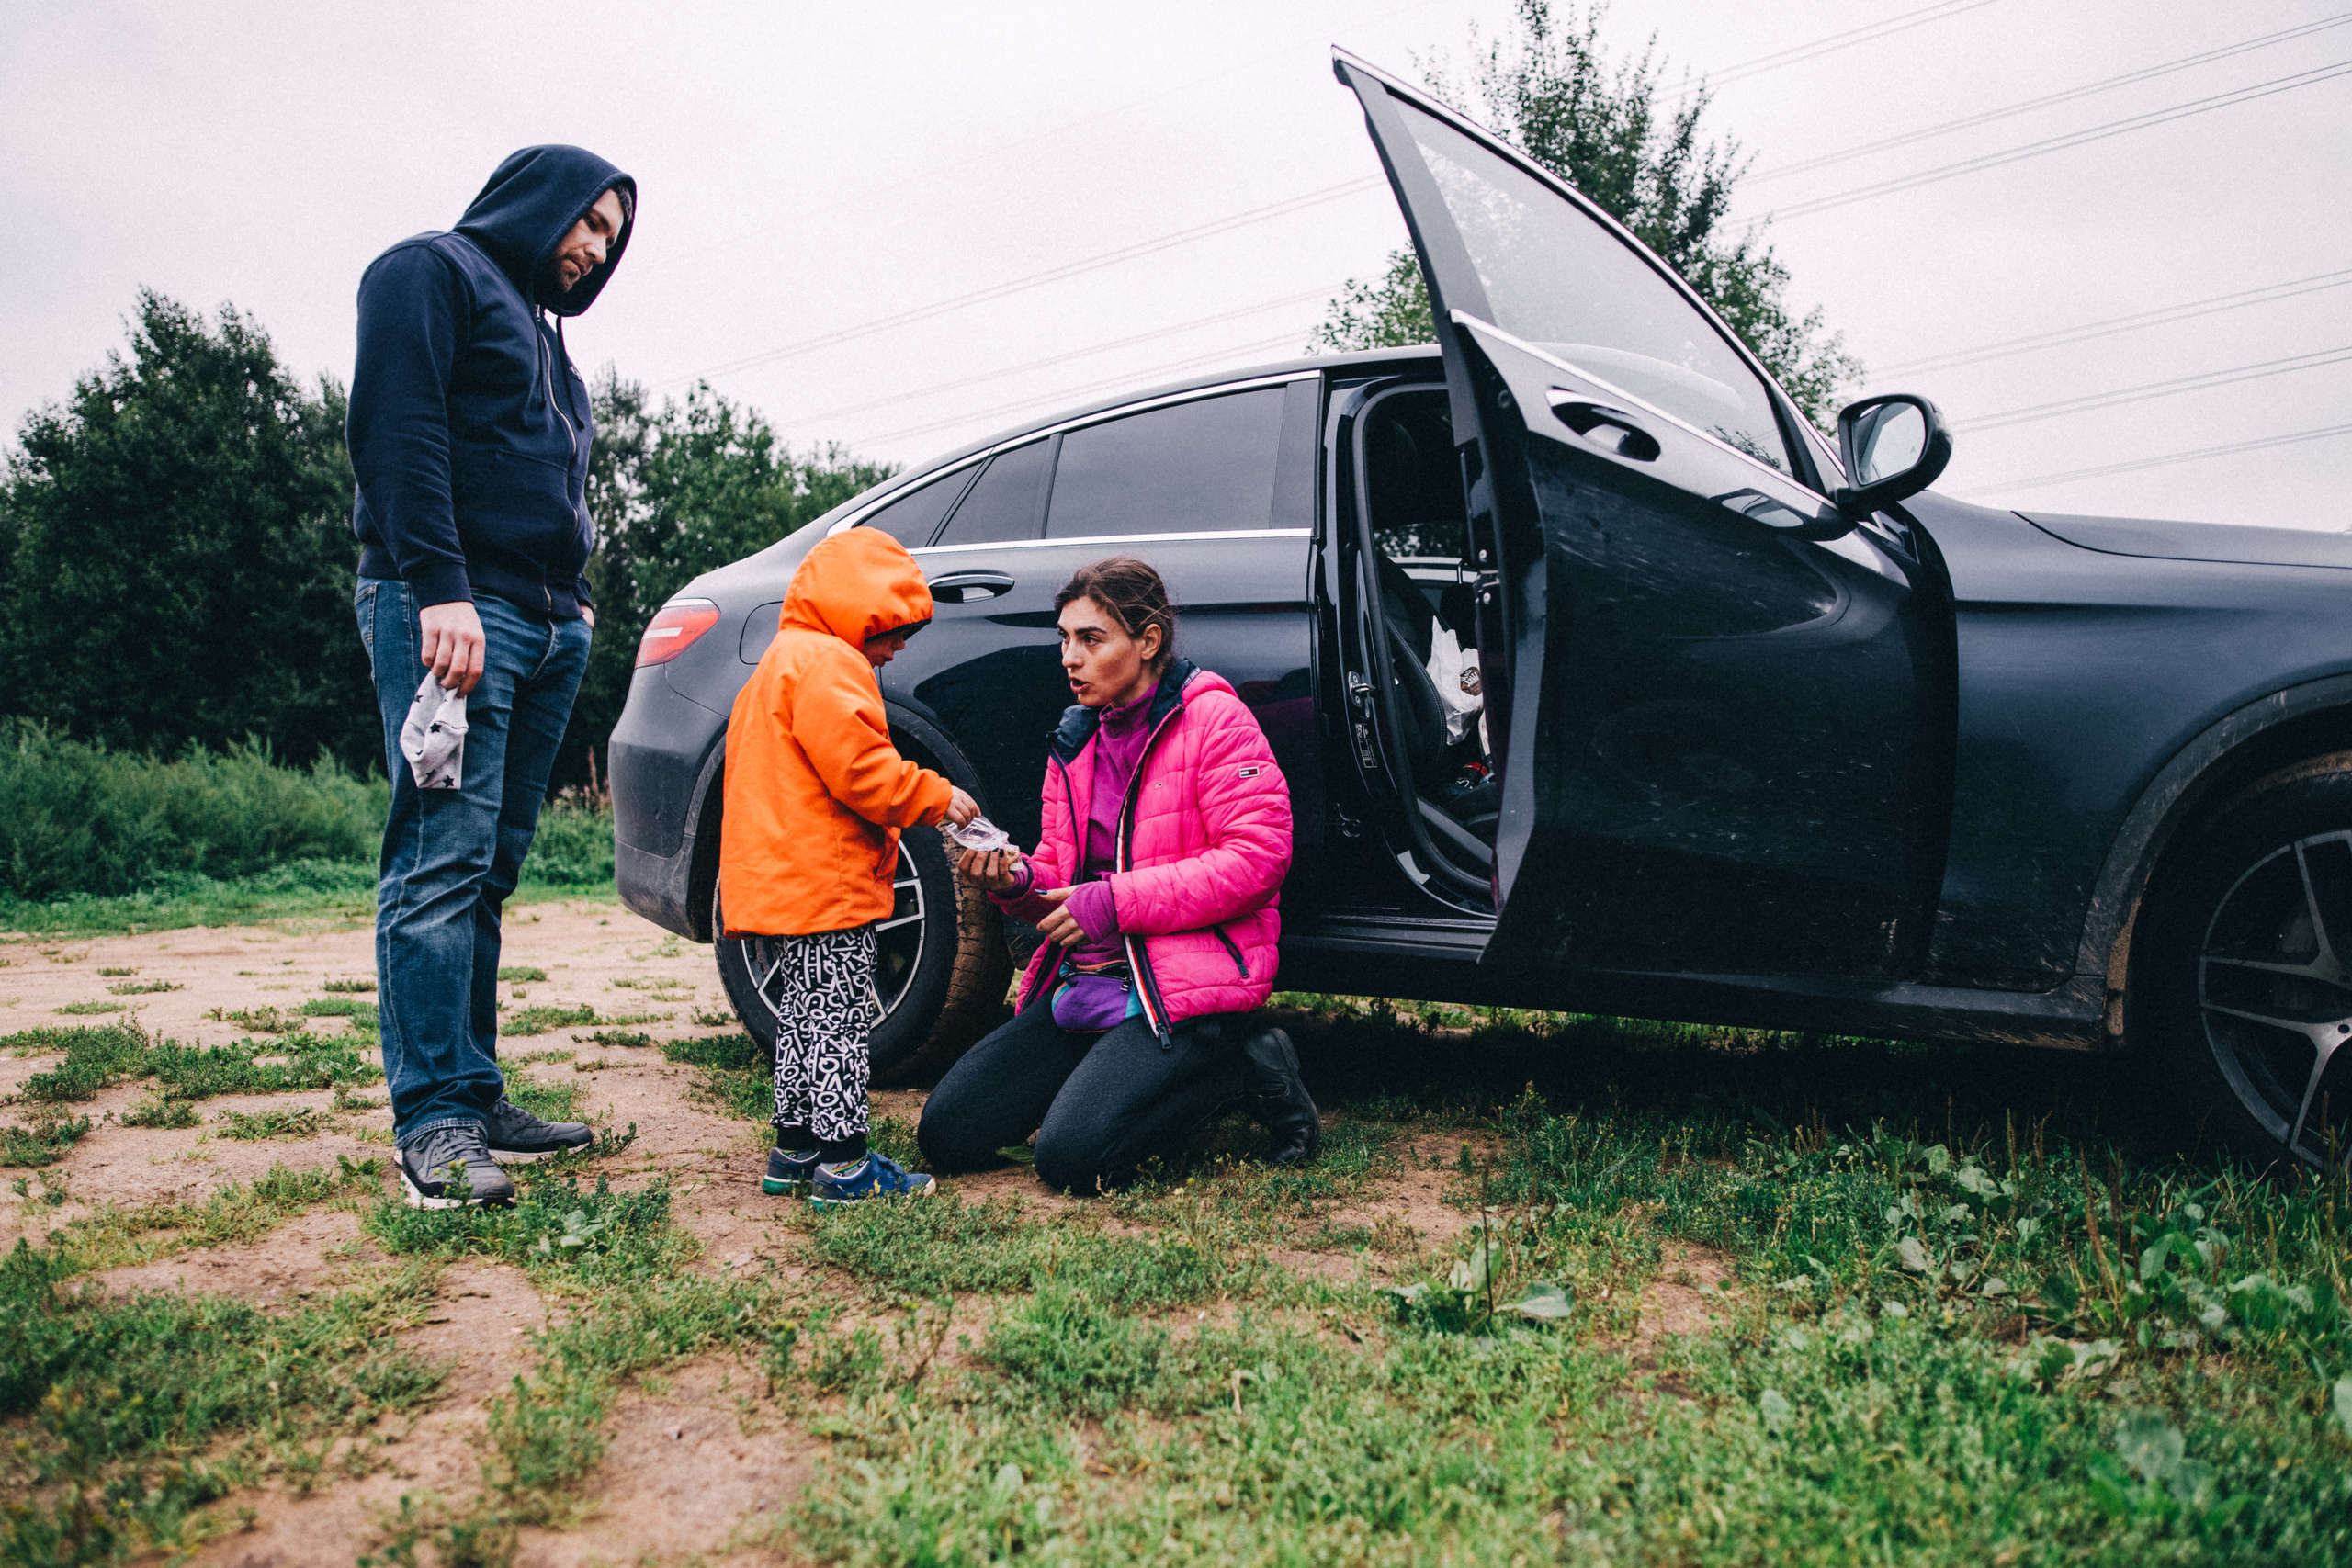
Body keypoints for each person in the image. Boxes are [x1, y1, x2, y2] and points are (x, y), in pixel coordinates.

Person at [347, 146, 636, 1208]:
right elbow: (396, 434)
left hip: (547, 628)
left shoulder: (549, 339)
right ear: (540, 199)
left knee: (492, 866)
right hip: (458, 618)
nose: (597, 247)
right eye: (588, 221)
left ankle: (473, 1086)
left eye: (613, 234)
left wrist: (578, 605)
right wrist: (440, 589)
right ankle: (433, 1122)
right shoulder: (430, 271)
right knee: (439, 857)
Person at [917, 556, 1320, 1192]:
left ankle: (1244, 1067)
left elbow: (1258, 857)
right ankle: (1109, 1075)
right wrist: (1016, 883)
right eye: (1064, 639)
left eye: (1091, 638)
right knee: (946, 1133)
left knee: (1071, 1159)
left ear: (1148, 641)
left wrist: (1113, 902)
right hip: (1085, 988)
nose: (1068, 658)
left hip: (1176, 989)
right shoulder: (1076, 740)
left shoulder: (1215, 721)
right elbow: (1060, 871)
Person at [720, 527, 979, 1204]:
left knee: (803, 1019)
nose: (896, 648)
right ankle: (844, 1166)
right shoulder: (832, 665)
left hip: (787, 881)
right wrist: (938, 795)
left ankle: (795, 1150)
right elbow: (862, 774)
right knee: (837, 1022)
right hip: (827, 884)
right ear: (858, 609)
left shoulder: (780, 662)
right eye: (894, 629)